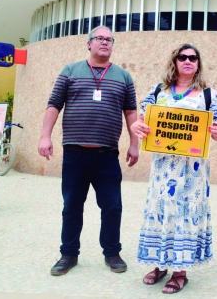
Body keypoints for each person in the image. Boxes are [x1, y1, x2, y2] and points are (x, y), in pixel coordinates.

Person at [39, 25, 139, 276]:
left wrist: (135, 144)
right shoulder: (70, 71)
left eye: (109, 39)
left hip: (107, 155)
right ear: (89, 43)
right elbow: (54, 105)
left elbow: (130, 113)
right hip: (75, 154)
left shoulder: (123, 76)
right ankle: (68, 254)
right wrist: (44, 137)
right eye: (100, 39)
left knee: (112, 206)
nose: (105, 43)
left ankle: (112, 253)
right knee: (72, 206)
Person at [130, 44, 217, 293]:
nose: (187, 61)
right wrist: (136, 128)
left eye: (193, 58)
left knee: (185, 214)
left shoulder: (208, 95)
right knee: (160, 212)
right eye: (182, 57)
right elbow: (141, 122)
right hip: (163, 169)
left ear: (198, 63)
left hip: (193, 172)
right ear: (174, 61)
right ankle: (159, 264)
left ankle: (180, 271)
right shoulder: (157, 91)